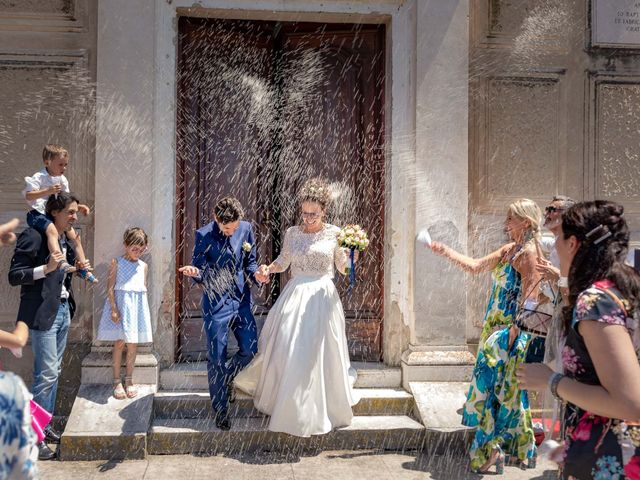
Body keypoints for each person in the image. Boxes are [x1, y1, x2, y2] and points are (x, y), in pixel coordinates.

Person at [517, 200, 640, 479]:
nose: (553, 244)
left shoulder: (595, 301)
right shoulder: (619, 290)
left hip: (613, 462)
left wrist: (550, 381)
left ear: (573, 243)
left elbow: (629, 403)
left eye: (558, 236)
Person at [234, 178, 359, 437]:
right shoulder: (292, 233)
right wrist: (268, 268)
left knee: (320, 351)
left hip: (323, 297)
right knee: (289, 345)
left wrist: (352, 256)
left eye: (313, 213)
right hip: (296, 294)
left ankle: (321, 408)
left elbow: (342, 268)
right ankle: (288, 402)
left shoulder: (336, 233)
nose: (308, 218)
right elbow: (283, 261)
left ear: (324, 211)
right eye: (304, 213)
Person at [425, 198, 543, 473]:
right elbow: (475, 266)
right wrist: (445, 251)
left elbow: (532, 298)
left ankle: (490, 452)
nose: (506, 221)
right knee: (509, 391)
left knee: (491, 391)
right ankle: (523, 448)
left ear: (526, 222)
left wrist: (514, 333)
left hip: (510, 332)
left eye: (511, 217)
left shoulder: (528, 254)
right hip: (495, 329)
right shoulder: (509, 250)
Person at [179, 197, 268, 430]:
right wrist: (194, 272)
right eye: (228, 228)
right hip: (216, 303)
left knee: (250, 348)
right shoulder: (203, 235)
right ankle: (220, 410)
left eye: (235, 228)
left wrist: (257, 274)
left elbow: (250, 261)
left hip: (241, 300)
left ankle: (228, 377)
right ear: (217, 219)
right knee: (216, 358)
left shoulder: (246, 228)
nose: (232, 232)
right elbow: (198, 265)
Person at [8, 192, 82, 459]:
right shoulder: (34, 236)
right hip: (41, 314)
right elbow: (15, 276)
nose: (75, 217)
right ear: (54, 213)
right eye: (70, 213)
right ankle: (33, 437)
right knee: (46, 375)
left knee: (54, 373)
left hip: (62, 310)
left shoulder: (65, 240)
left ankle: (44, 425)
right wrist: (46, 269)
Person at [22, 144, 97, 283]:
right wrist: (47, 191)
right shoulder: (39, 177)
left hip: (52, 213)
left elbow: (66, 201)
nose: (64, 168)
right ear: (47, 162)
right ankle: (61, 262)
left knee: (75, 236)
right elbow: (29, 196)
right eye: (60, 164)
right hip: (37, 214)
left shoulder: (63, 180)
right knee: (52, 230)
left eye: (65, 165)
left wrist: (79, 207)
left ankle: (83, 269)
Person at [96, 227, 152, 400]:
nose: (138, 253)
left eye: (141, 250)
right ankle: (116, 380)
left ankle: (129, 379)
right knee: (120, 343)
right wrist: (114, 309)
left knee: (133, 344)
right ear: (125, 246)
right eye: (134, 249)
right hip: (121, 309)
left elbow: (142, 289)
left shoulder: (143, 266)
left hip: (135, 310)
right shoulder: (117, 262)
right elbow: (110, 288)